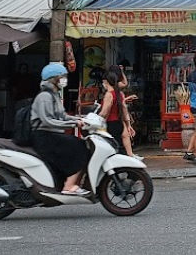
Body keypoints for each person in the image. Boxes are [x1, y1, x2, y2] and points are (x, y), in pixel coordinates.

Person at [31, 63, 90, 196]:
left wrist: (80, 120)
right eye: (61, 77)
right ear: (53, 79)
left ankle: (68, 182)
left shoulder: (54, 95)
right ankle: (69, 186)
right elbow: (48, 121)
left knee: (81, 144)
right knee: (79, 146)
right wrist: (73, 125)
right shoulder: (44, 97)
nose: (64, 80)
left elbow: (63, 116)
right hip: (43, 136)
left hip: (51, 134)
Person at [99, 70, 142, 161]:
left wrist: (97, 118)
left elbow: (105, 111)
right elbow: (124, 110)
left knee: (114, 149)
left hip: (110, 124)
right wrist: (128, 124)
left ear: (106, 81)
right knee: (121, 148)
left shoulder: (109, 95)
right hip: (119, 123)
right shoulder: (120, 94)